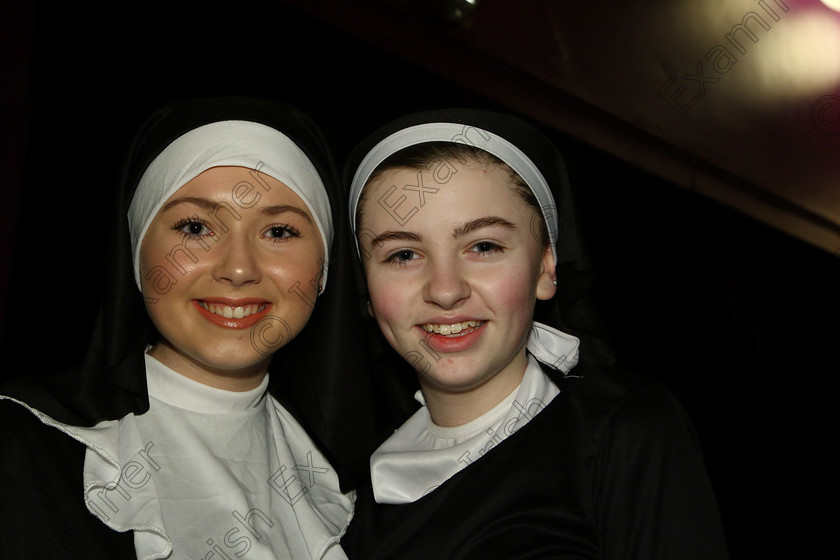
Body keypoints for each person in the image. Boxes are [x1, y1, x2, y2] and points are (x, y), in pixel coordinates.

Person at [342, 109, 729, 559]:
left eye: (484, 246)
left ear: (546, 267)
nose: (445, 290)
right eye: (404, 254)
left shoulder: (621, 431)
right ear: (366, 289)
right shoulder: (348, 488)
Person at [0, 97, 374, 559]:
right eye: (196, 227)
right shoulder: (24, 446)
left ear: (324, 271)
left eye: (278, 232)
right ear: (137, 254)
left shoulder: (355, 485)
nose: (238, 269)